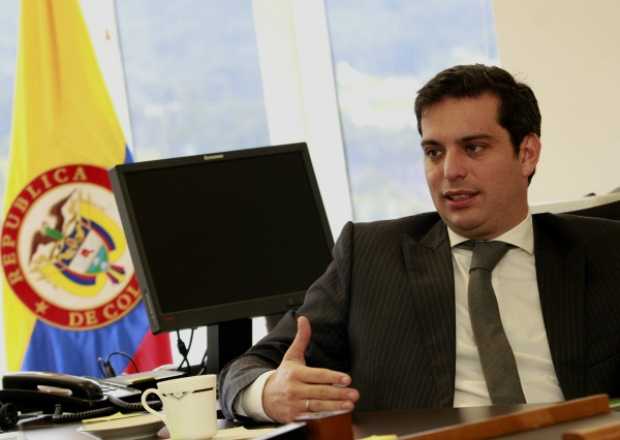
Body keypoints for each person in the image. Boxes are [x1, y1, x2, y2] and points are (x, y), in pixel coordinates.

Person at [219, 64, 620, 423]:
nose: (450, 170)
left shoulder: (606, 252)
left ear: (527, 154)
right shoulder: (370, 256)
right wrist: (268, 394)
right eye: (434, 152)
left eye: (474, 148)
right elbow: (246, 369)